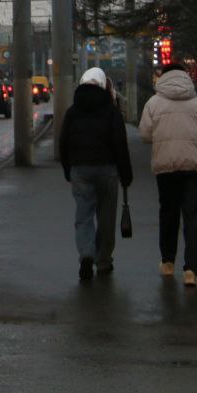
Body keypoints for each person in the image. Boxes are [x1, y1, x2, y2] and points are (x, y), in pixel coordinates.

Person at [139, 63, 197, 287]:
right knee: (192, 217)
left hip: (166, 167)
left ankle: (167, 262)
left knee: (168, 213)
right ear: (186, 77)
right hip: (194, 167)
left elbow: (145, 134)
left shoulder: (154, 103)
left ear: (162, 77)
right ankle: (191, 269)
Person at [61, 67, 134, 280]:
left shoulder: (72, 112)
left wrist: (68, 169)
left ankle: (86, 253)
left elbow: (63, 143)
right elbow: (120, 144)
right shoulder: (112, 112)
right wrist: (126, 174)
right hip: (107, 169)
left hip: (80, 170)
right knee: (106, 217)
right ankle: (103, 261)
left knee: (83, 215)